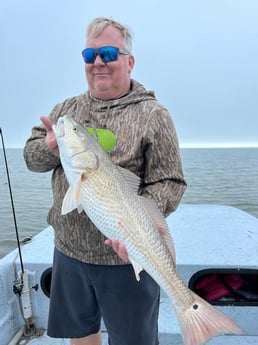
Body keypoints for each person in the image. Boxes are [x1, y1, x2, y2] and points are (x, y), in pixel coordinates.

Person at [24, 17, 186, 345]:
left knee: (132, 340)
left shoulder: (154, 115)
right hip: (69, 252)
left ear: (129, 61)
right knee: (81, 335)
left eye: (109, 53)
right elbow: (31, 157)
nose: (98, 62)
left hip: (125, 258)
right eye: (90, 55)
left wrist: (137, 223)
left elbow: (170, 181)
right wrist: (50, 148)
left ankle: (190, 310)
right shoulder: (65, 110)